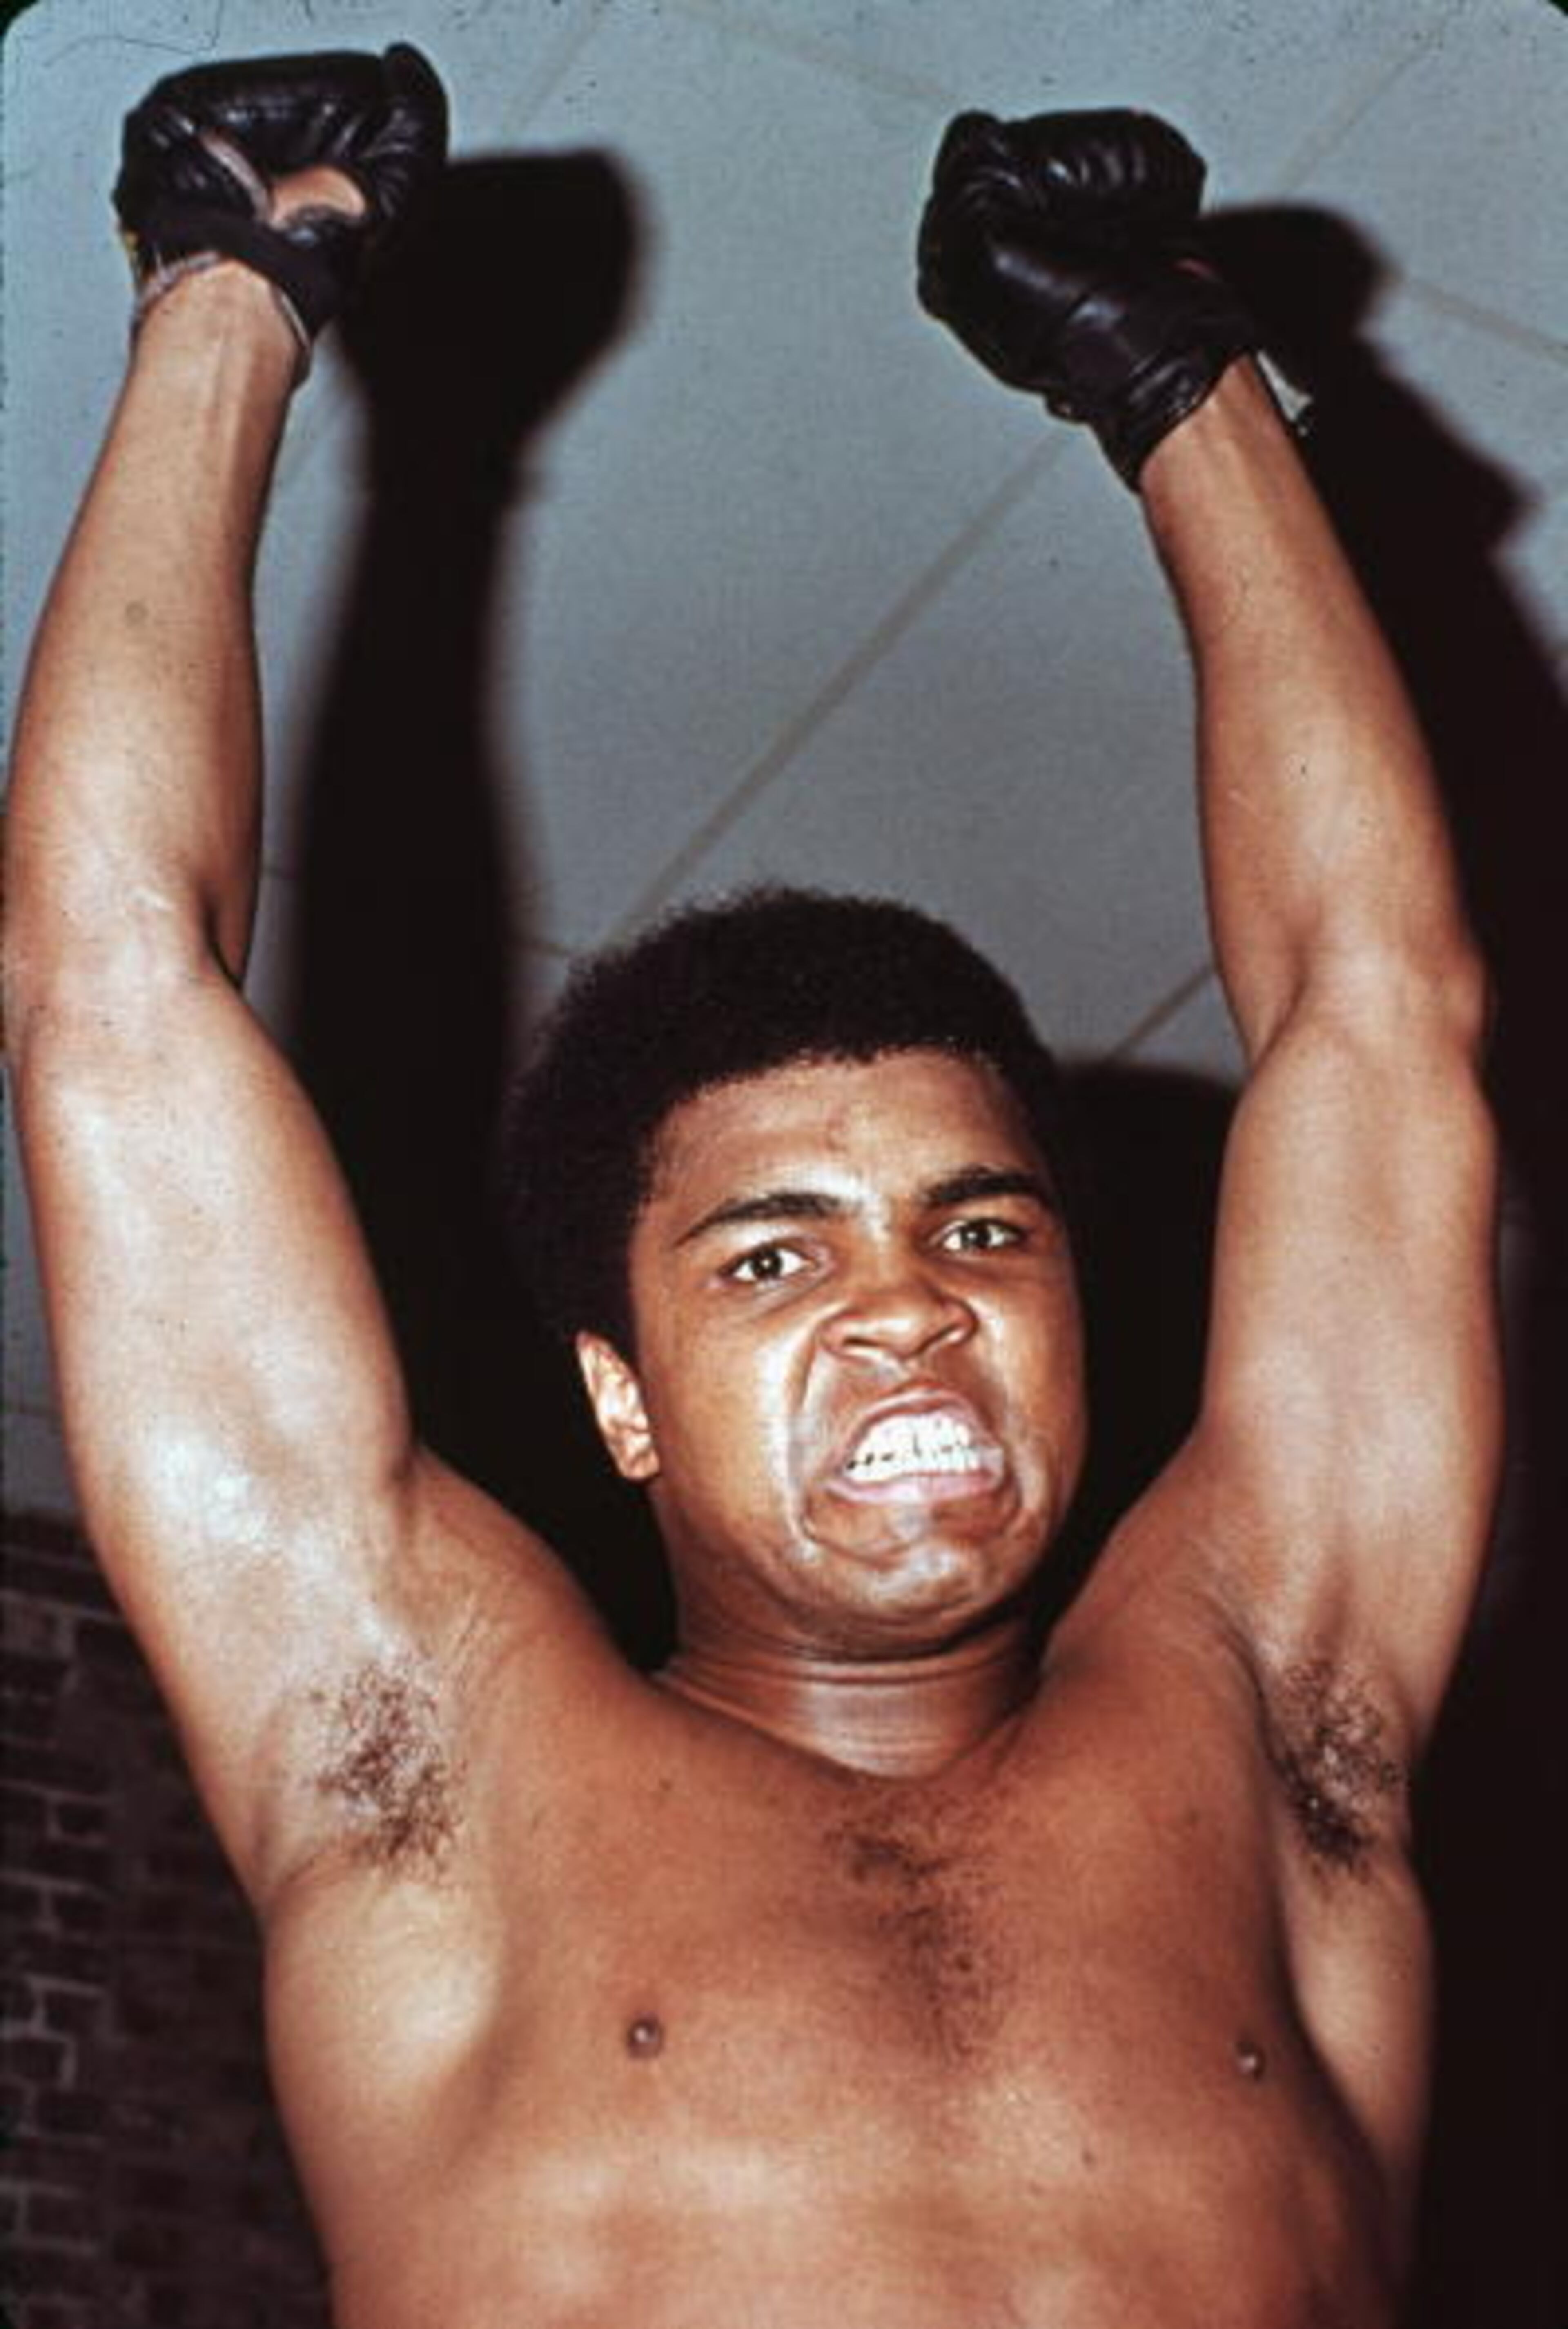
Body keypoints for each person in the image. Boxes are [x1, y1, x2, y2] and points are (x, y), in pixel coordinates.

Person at [4, 49, 1500, 2329]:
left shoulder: (1275, 1720)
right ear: (620, 1397)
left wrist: (1182, 378)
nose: (912, 1307)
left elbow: (1378, 1013)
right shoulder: (428, 1751)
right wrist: (229, 289)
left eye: (981, 1225)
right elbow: (115, 987)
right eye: (775, 1251)